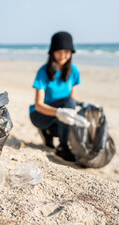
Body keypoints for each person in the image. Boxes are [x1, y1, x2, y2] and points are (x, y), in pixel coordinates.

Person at [29, 31, 82, 162]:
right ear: (52, 52)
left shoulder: (74, 71)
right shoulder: (43, 71)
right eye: (59, 51)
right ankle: (62, 148)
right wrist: (58, 112)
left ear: (71, 52)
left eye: (67, 51)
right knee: (68, 109)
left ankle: (49, 134)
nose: (63, 55)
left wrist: (86, 104)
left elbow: (72, 99)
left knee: (72, 119)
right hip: (40, 115)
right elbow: (38, 105)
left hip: (60, 116)